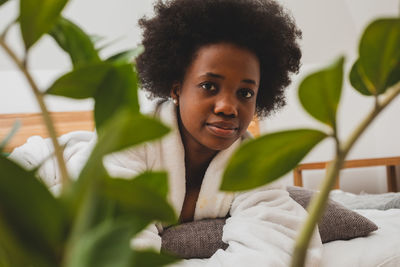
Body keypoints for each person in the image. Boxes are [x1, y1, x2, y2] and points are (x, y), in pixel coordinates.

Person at [10, 0, 322, 266]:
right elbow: (116, 243)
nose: (229, 106)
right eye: (209, 86)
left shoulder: (253, 162)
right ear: (176, 89)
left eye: (245, 93)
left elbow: (280, 243)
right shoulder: (132, 140)